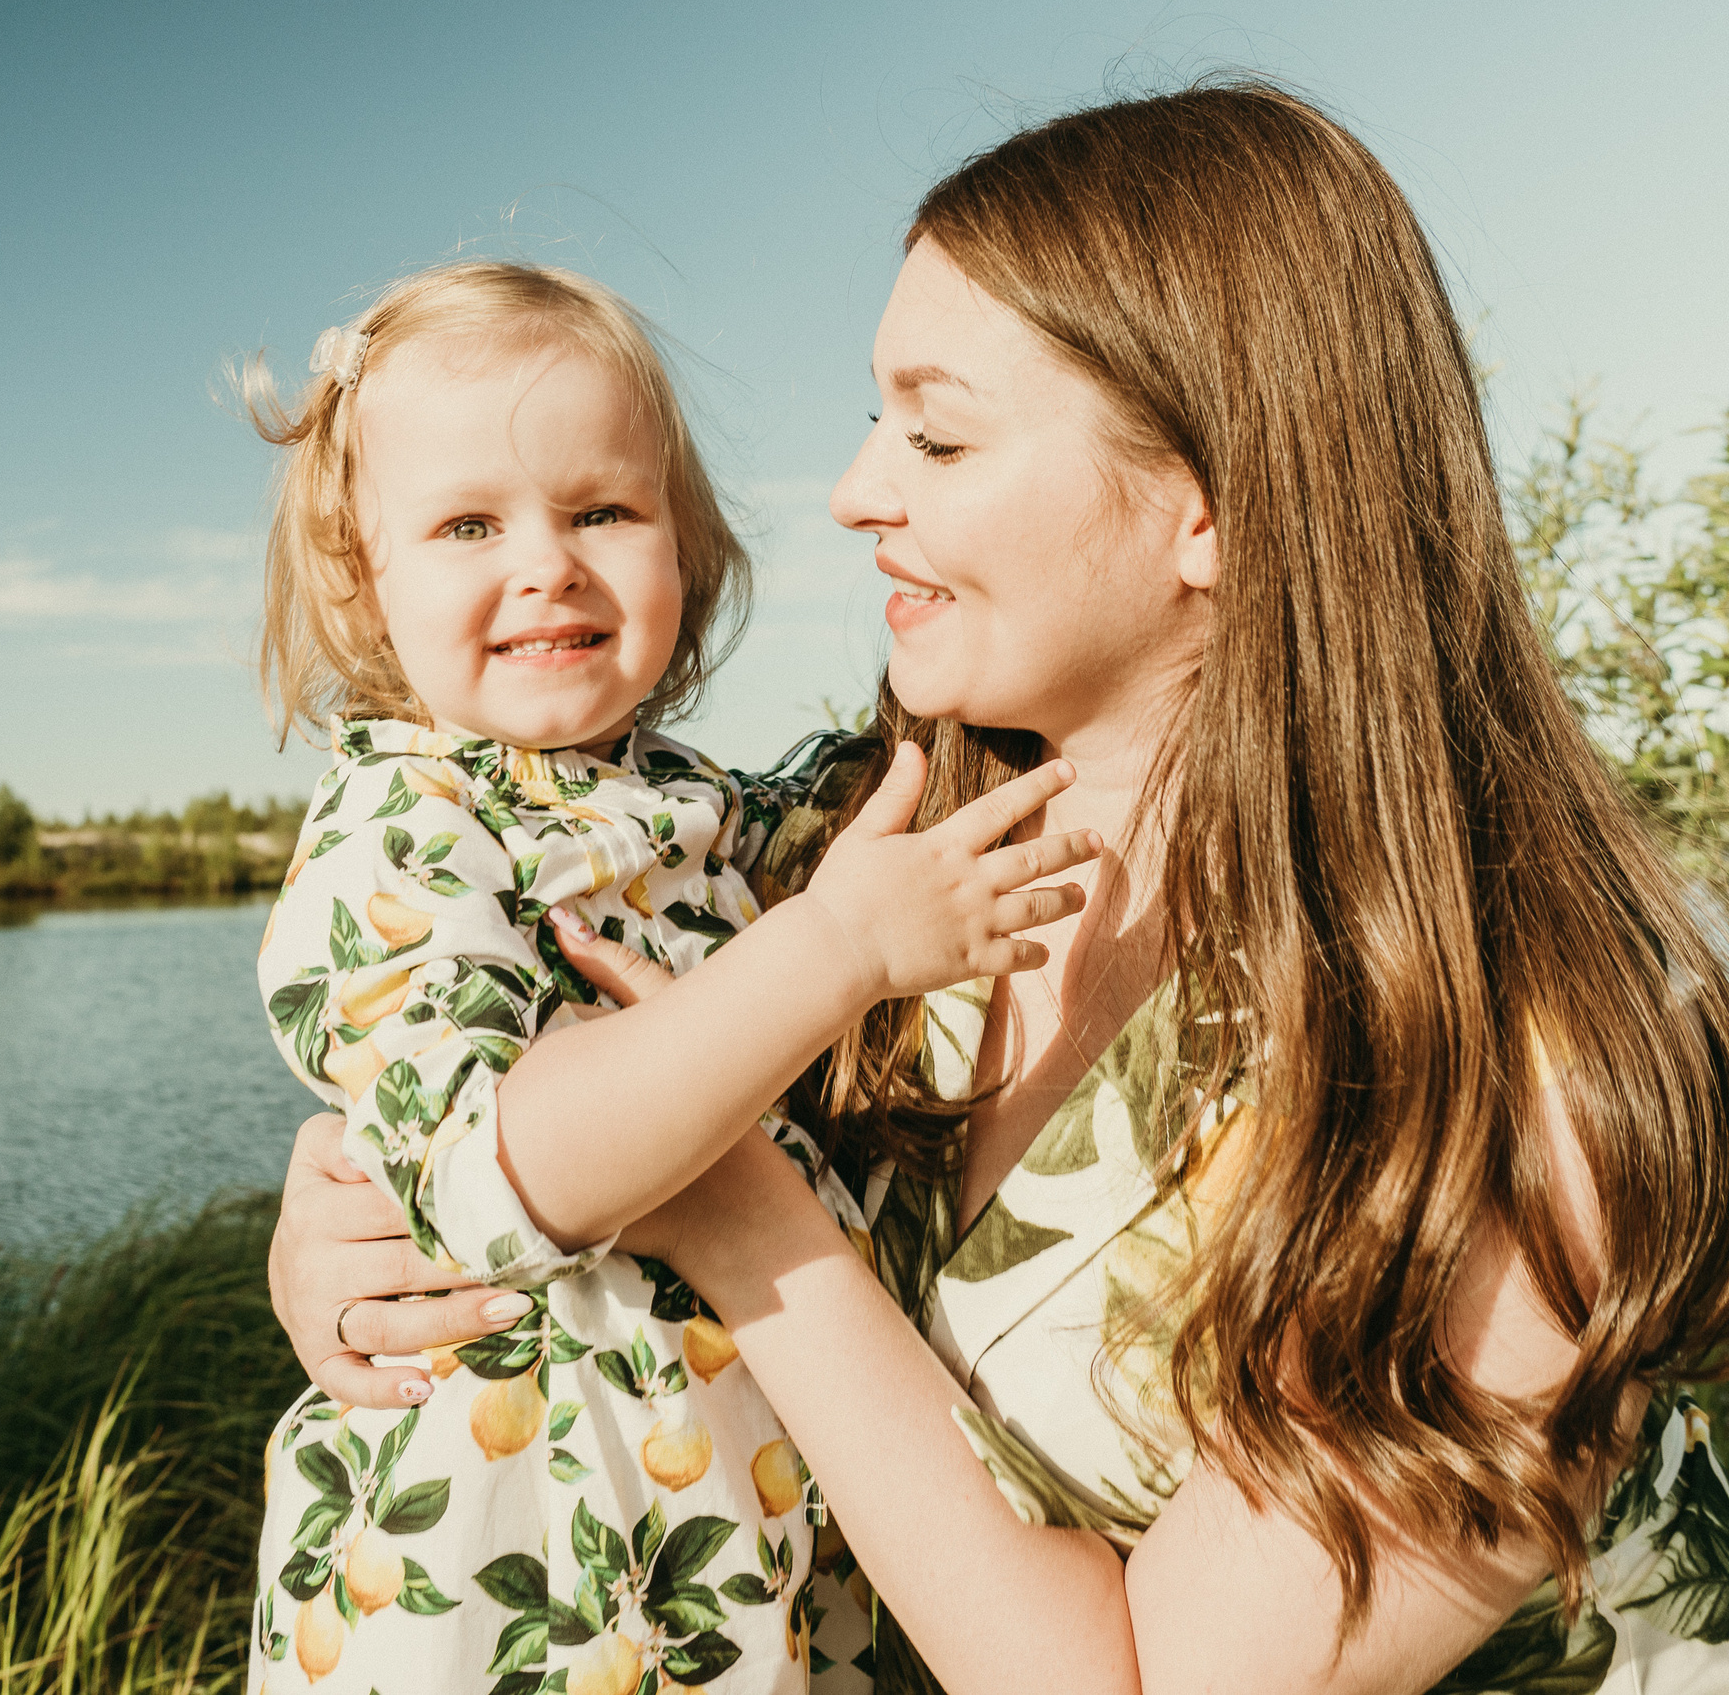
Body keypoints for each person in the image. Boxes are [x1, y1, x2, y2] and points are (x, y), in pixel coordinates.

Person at [262, 84, 1729, 1694]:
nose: (853, 492)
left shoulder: (1528, 1097)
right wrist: (369, 1228)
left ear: (1213, 506)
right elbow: (503, 1091)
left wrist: (724, 1200)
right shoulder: (857, 846)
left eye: (939, 434)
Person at [238, 260, 1095, 1692]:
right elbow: (510, 1173)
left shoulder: (680, 802)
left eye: (603, 512)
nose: (547, 563)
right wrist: (839, 949)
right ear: (363, 583)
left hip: (717, 1557)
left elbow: (857, 818)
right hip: (513, 1587)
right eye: (467, 524)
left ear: (683, 552)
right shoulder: (400, 834)